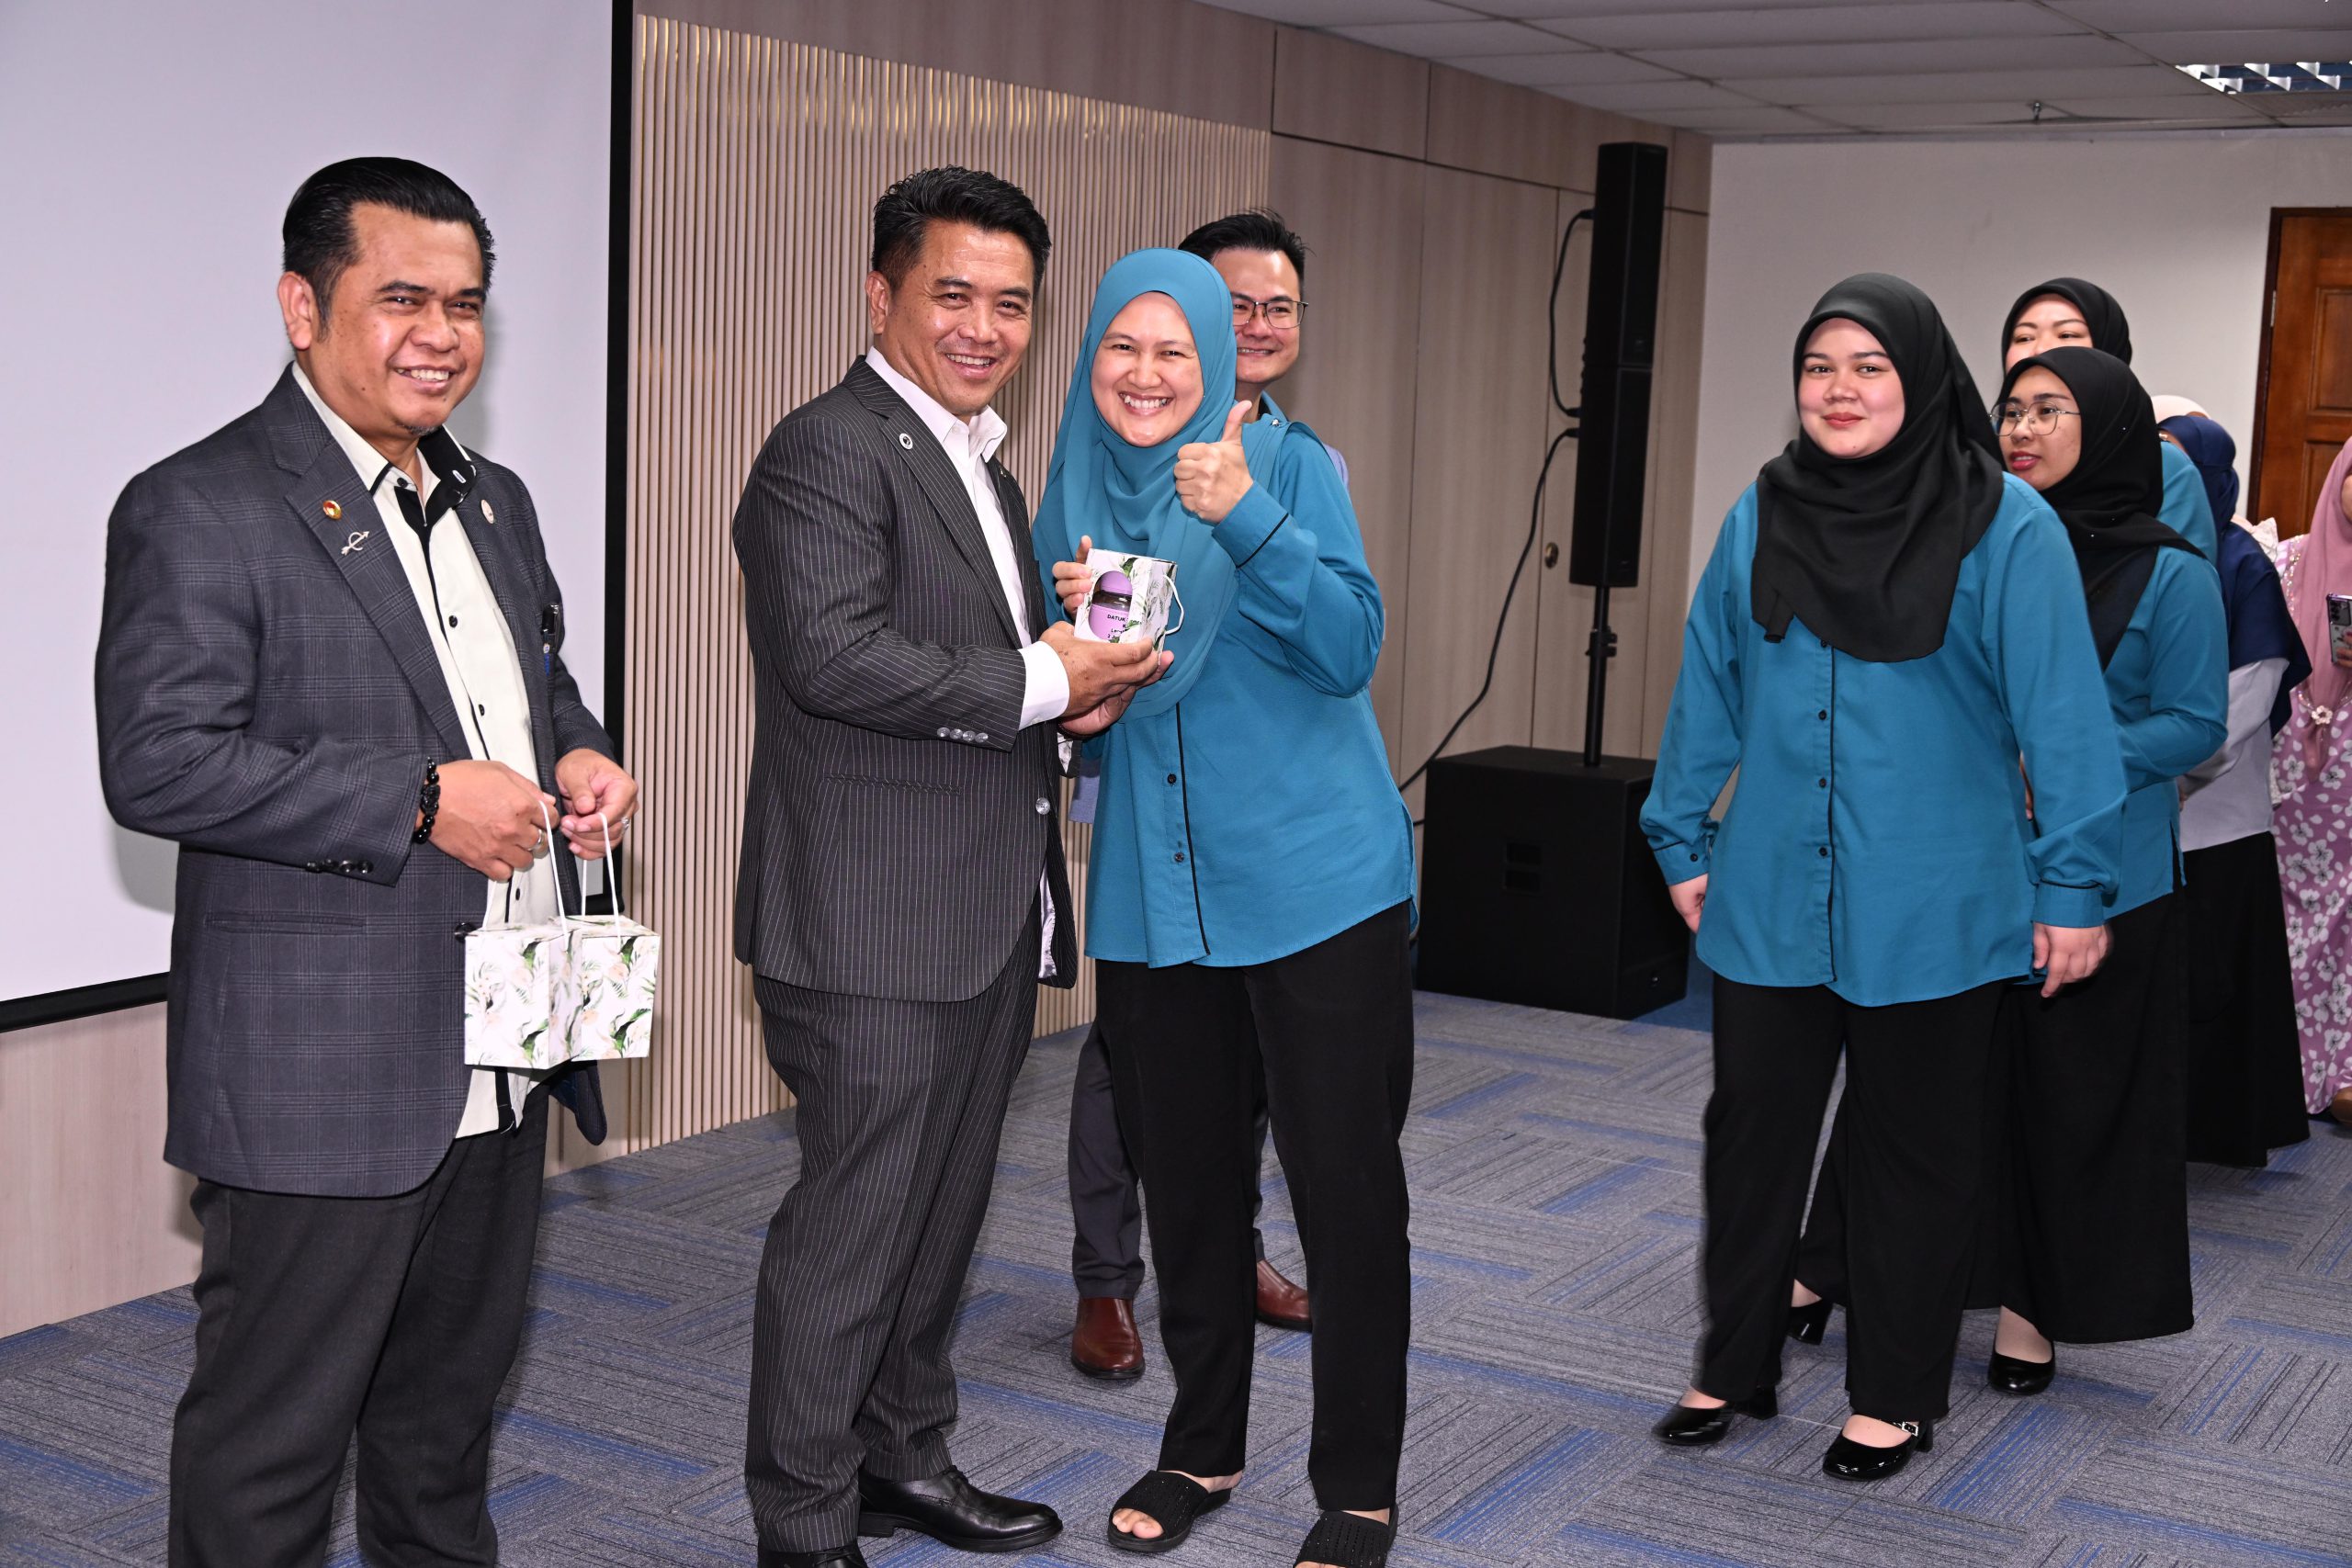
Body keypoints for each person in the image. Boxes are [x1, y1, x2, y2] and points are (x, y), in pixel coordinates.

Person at [95, 156, 637, 1566]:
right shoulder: (200, 502)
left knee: (443, 1435)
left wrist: (578, 749)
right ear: (302, 304)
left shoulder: (495, 496)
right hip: (321, 1073)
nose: (441, 334)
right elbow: (156, 760)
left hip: (502, 1045)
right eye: (403, 298)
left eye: (465, 303)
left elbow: (532, 679)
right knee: (269, 1459)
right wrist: (416, 800)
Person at [729, 167, 1167, 1568]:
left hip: (978, 915)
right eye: (953, 294)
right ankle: (803, 1522)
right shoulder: (825, 448)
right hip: (866, 924)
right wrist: (1042, 677)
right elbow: (832, 654)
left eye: (1013, 303)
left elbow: (981, 677)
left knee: (935, 1222)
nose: (985, 327)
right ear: (882, 295)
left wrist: (1072, 694)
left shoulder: (981, 459)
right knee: (852, 1235)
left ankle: (902, 1458)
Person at [1643, 276, 2126, 1483]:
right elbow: (1711, 676)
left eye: (1869, 366)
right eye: (1819, 367)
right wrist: (1679, 836)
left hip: (1938, 900)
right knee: (1749, 1142)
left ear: (1921, 378)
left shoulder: (2005, 524)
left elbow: (2065, 720)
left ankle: (1896, 1395)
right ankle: (1734, 1360)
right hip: (1771, 889)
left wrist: (2073, 888)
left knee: (1914, 1153)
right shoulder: (1763, 508)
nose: (1840, 389)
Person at [1033, 250, 1415, 1567]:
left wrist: (1244, 514)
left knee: (1344, 1194)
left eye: (1174, 352)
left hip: (1316, 886)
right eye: (1121, 347)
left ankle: (1358, 1483)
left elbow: (1350, 646)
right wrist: (1080, 691)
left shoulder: (1284, 466)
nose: (1145, 375)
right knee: (1189, 1190)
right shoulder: (1069, 488)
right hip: (1157, 892)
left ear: (1214, 362)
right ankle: (1202, 1443)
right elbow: (1078, 707)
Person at [1065, 209, 1328, 1382]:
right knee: (1125, 1054)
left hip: (1252, 817)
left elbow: (1329, 642)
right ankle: (1105, 1278)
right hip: (1135, 795)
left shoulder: (1297, 463)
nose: (1254, 326)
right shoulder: (1090, 461)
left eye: (1277, 307)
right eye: (1232, 306)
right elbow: (1078, 655)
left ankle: (1230, 1248)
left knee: (1244, 1054)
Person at [1973, 347, 2226, 1396]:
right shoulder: (1984, 548)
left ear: (2112, 429)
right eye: (2013, 409)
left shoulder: (2172, 570)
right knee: (1950, 1090)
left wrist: (2066, 750)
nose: (2022, 429)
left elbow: (2196, 726)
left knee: (2069, 1104)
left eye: (2051, 411)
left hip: (2113, 875)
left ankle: (2032, 1308)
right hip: (1978, 864)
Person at [2160, 411, 2311, 1166]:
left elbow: (2248, 697)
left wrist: (2172, 771)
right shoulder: (2142, 552)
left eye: (2178, 464)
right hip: (2147, 811)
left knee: (2216, 981)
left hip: (2216, 816)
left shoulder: (2240, 564)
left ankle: (2216, 1132)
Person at [1998, 277, 2217, 561]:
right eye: (2024, 338)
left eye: (2067, 334)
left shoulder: (2165, 464)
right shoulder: (1983, 453)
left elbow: (2181, 568)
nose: (2041, 349)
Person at [2272, 436, 2352, 1125]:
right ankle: (2288, 1067)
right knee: (2287, 909)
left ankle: (2341, 1066)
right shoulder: (2287, 559)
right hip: (2288, 763)